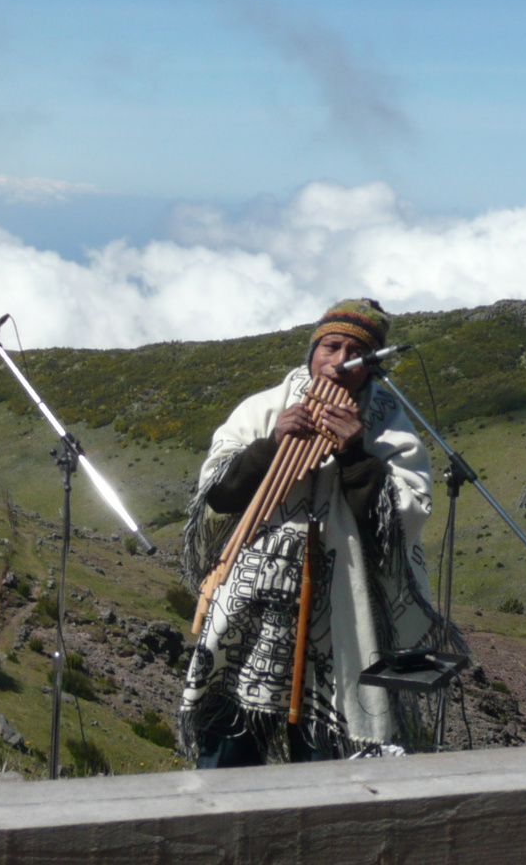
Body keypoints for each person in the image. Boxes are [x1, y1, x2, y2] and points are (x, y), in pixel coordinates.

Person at [178, 298, 448, 766]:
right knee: (227, 754)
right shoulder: (263, 409)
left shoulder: (391, 428)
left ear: (373, 366)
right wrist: (271, 446)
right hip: (254, 609)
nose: (340, 361)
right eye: (331, 346)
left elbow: (403, 524)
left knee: (329, 763)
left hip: (344, 614)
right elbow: (217, 497)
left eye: (355, 352)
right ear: (313, 351)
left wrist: (356, 457)